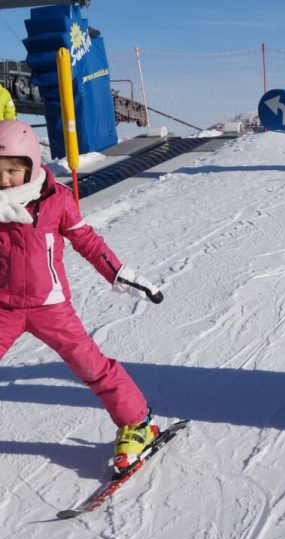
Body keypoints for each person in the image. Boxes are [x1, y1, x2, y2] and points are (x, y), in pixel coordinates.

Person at [0, 120, 163, 475]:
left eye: (12, 170)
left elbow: (87, 241)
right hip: (4, 307)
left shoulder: (55, 200)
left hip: (50, 306)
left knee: (90, 365)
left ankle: (137, 423)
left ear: (29, 165)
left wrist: (120, 274)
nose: (4, 179)